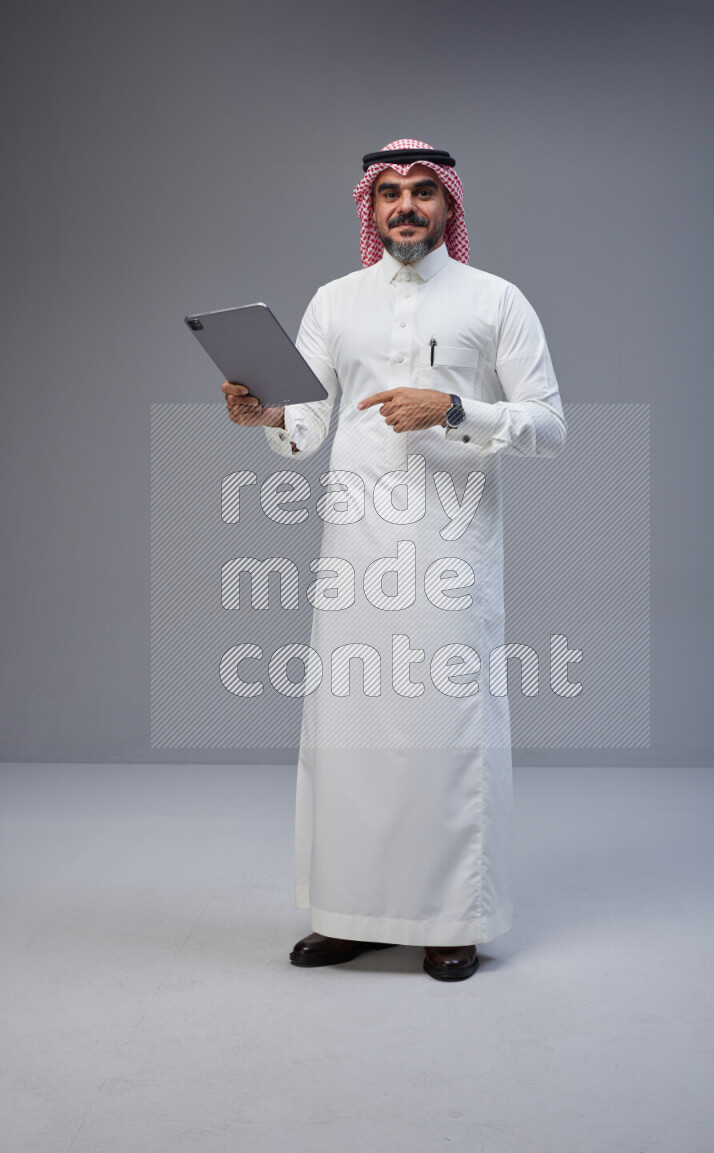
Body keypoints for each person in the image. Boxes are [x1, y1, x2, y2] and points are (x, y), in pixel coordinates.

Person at [223, 139, 566, 981]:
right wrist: (264, 412)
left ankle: (453, 917)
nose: (406, 206)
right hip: (354, 554)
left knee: (444, 736)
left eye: (422, 192)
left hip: (451, 556)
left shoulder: (496, 301)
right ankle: (348, 915)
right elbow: (303, 430)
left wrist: (453, 407)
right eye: (390, 195)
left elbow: (550, 427)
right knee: (351, 736)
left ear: (449, 205)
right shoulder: (336, 303)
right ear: (369, 210)